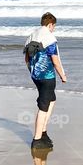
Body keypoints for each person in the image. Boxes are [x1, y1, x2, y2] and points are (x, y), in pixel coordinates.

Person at [24, 12, 66, 150]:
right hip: (47, 77)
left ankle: (43, 132)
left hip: (36, 76)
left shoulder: (32, 36)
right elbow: (55, 60)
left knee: (51, 99)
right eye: (54, 26)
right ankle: (37, 140)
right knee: (43, 107)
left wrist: (31, 71)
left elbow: (26, 58)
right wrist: (62, 75)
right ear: (50, 24)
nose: (53, 29)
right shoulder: (50, 37)